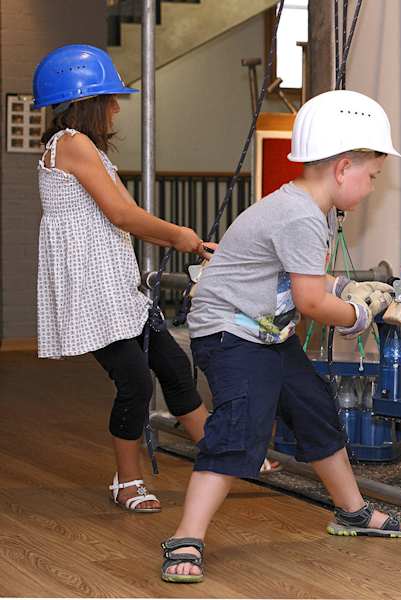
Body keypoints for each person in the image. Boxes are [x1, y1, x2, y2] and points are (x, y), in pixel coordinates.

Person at [160, 89, 401, 584]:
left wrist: (344, 286)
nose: (371, 188)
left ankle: (352, 511)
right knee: (239, 428)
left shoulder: (308, 208)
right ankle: (186, 536)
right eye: (372, 177)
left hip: (267, 332)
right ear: (343, 168)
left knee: (315, 410)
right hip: (232, 332)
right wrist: (360, 313)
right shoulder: (301, 216)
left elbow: (304, 277)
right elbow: (311, 303)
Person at [33, 44, 215, 512]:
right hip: (92, 292)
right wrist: (180, 236)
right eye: (110, 98)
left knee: (173, 366)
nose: (116, 107)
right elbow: (122, 215)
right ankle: (128, 481)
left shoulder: (84, 148)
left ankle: (222, 456)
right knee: (135, 381)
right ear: (87, 101)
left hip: (116, 289)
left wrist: (188, 241)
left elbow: (125, 217)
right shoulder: (71, 143)